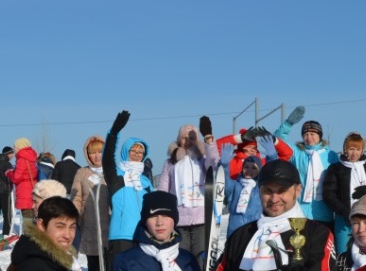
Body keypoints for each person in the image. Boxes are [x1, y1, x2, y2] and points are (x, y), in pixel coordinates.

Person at [156, 118, 220, 262]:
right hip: (179, 218)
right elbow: (163, 189)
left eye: (192, 138)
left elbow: (214, 163)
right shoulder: (170, 163)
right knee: (182, 256)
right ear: (179, 140)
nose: (188, 141)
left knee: (200, 256)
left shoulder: (202, 159)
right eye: (184, 138)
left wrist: (208, 139)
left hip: (201, 217)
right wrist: (163, 212)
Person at [322, 132, 366, 255]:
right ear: (345, 150)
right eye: (351, 149)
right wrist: (344, 210)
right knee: (344, 253)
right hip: (344, 219)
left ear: (362, 151)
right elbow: (328, 194)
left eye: (358, 149)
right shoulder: (335, 168)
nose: (354, 153)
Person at [274, 107, 340, 226]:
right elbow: (278, 141)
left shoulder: (330, 155)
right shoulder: (297, 153)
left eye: (312, 134)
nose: (309, 137)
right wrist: (288, 124)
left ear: (320, 135)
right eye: (305, 134)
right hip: (300, 212)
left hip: (324, 213)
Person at [102, 110, 155, 257]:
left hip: (143, 235)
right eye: (133, 150)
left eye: (140, 152)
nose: (137, 154)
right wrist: (114, 132)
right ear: (126, 151)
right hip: (120, 236)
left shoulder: (145, 181)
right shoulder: (116, 175)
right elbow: (107, 156)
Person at [71, 135, 110, 271]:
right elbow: (76, 198)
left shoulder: (112, 171)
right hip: (90, 228)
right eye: (93, 152)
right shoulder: (82, 173)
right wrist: (77, 217)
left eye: (100, 152)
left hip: (110, 227)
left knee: (110, 269)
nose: (97, 156)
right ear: (87, 154)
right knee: (94, 270)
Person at [220, 144, 265, 236]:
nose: (249, 170)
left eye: (254, 168)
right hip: (234, 232)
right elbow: (224, 180)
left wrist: (272, 157)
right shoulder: (235, 185)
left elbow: (273, 177)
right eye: (246, 167)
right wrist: (224, 165)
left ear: (259, 170)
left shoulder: (260, 187)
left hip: (253, 232)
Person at [8, 137, 39, 221]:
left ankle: (29, 230)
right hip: (32, 189)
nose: (14, 149)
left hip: (24, 192)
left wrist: (9, 173)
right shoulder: (31, 158)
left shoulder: (22, 159)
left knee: (27, 220)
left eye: (14, 146)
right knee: (34, 218)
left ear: (19, 147)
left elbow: (16, 178)